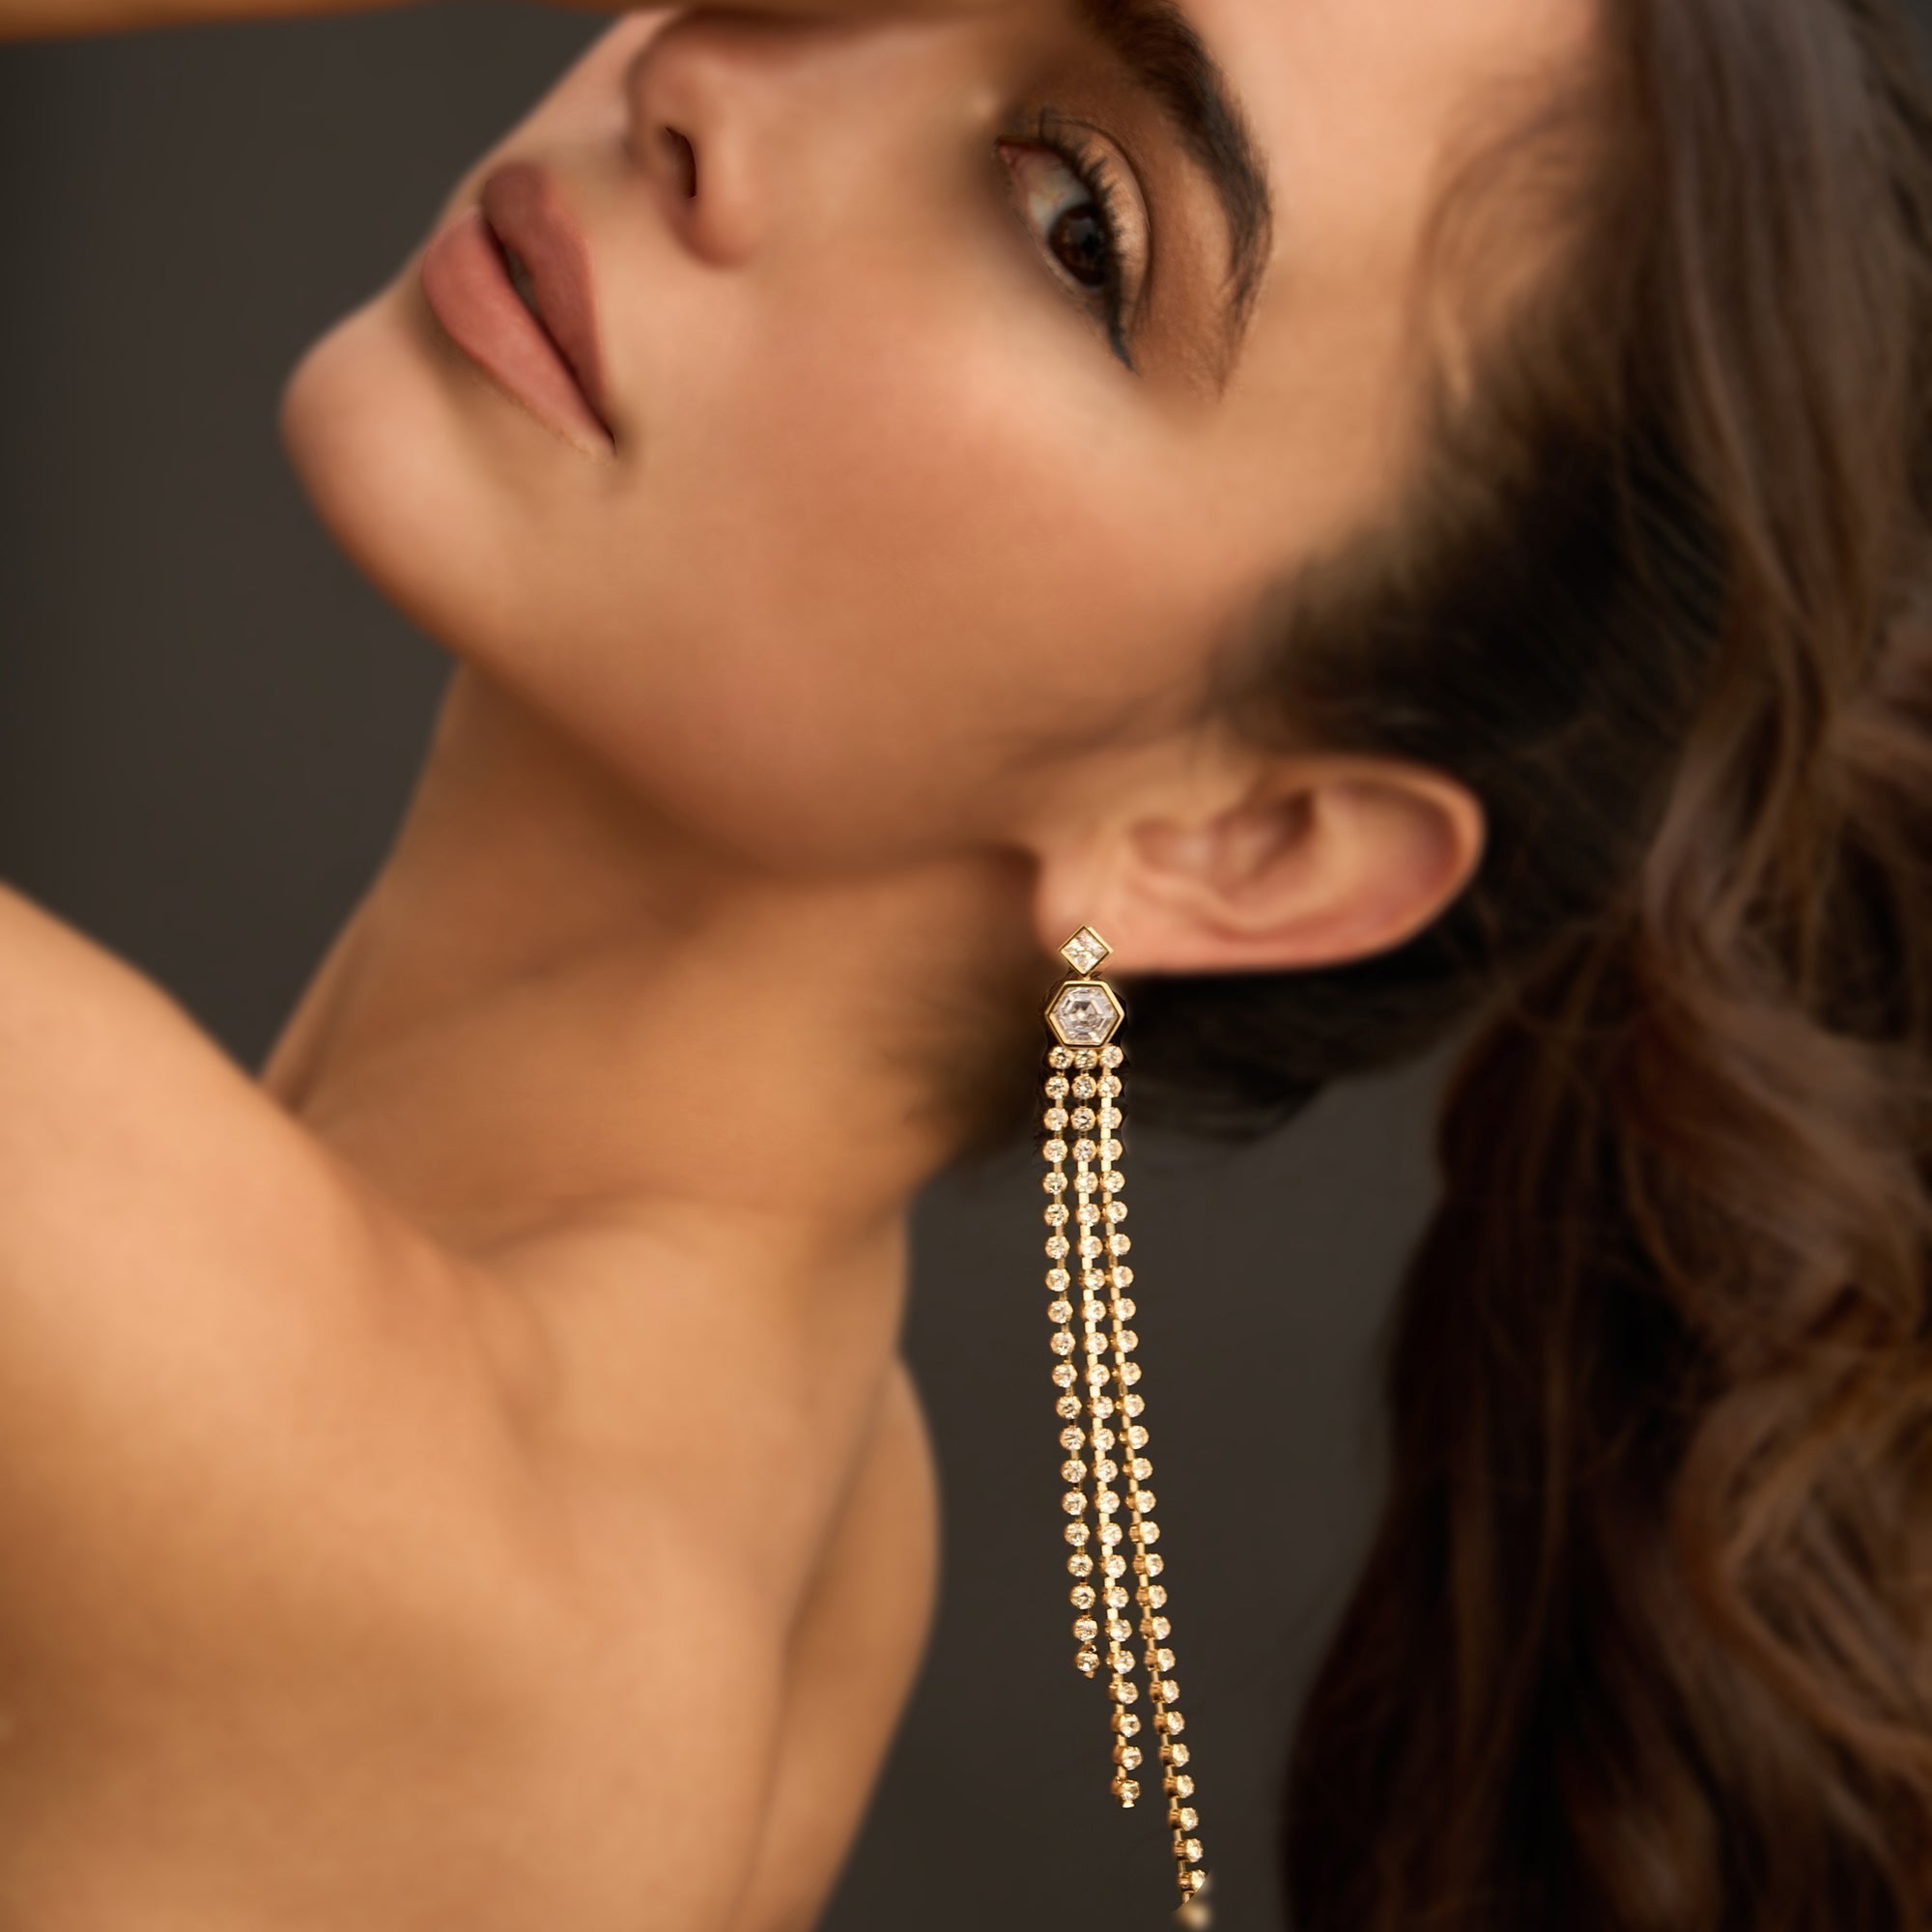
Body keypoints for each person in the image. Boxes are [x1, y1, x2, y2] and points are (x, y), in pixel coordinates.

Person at [2, 0, 1930, 1926]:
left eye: (1074, 219)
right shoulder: (820, 1518)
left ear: (1245, 844)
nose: (703, 85)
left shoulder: (313, 1445)